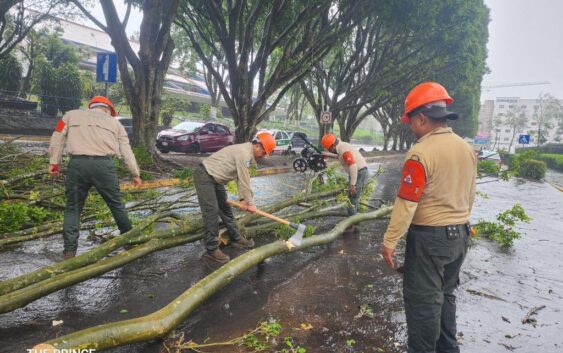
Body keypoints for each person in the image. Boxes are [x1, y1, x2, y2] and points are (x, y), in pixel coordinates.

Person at [380, 82, 477, 353]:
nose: (411, 128)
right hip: (460, 235)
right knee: (446, 296)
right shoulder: (466, 148)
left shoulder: (421, 152)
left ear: (422, 118)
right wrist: (462, 222)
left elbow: (407, 202)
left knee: (423, 304)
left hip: (429, 238)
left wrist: (390, 241)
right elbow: (470, 193)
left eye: (411, 121)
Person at [48, 96, 142, 259]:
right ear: (107, 109)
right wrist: (135, 174)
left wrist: (54, 164)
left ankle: (69, 251)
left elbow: (57, 138)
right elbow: (126, 151)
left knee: (73, 208)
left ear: (91, 106)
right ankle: (130, 242)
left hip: (77, 165)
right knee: (116, 205)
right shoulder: (116, 124)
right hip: (104, 167)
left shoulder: (69, 115)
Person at [194, 132, 276, 264]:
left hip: (217, 180)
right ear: (257, 146)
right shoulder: (244, 154)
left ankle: (236, 238)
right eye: (264, 152)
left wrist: (244, 200)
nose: (264, 155)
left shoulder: (246, 153)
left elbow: (239, 177)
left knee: (225, 210)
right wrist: (250, 203)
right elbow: (244, 179)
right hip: (205, 176)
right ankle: (212, 249)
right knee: (212, 211)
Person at [320, 133, 369, 215]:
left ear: (332, 146)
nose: (330, 151)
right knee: (354, 198)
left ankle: (351, 220)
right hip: (358, 172)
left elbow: (353, 166)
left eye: (329, 149)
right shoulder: (342, 146)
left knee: (353, 197)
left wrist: (352, 185)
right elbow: (340, 156)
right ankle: (357, 218)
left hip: (359, 173)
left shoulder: (344, 150)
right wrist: (327, 155)